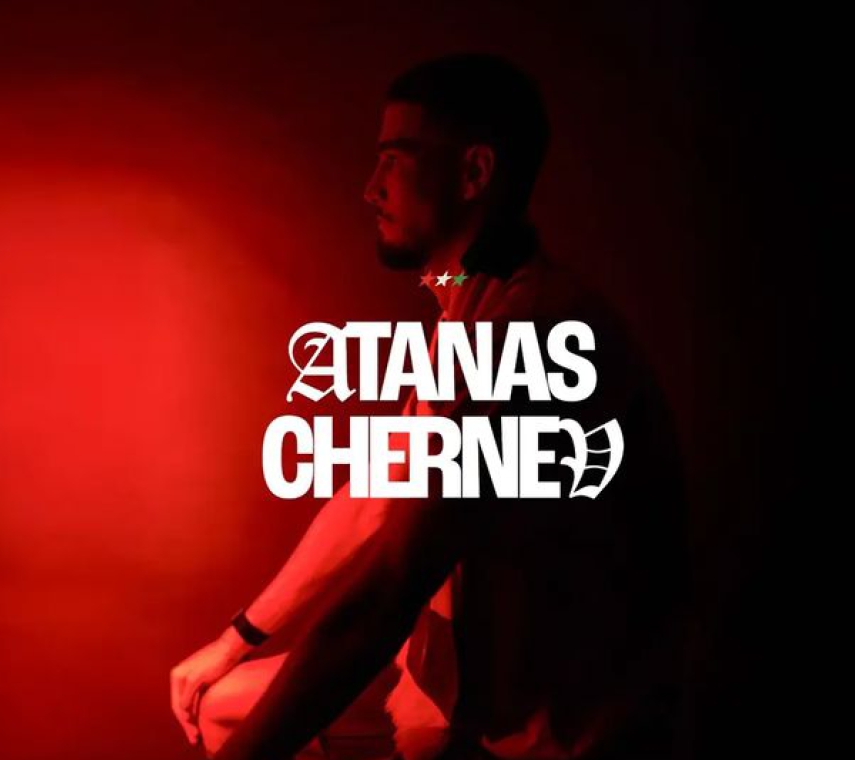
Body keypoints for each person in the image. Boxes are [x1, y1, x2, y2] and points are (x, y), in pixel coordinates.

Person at [169, 53, 690, 760]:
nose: (370, 188)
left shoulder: (529, 335)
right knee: (225, 706)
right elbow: (376, 496)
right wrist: (238, 638)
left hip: (540, 739)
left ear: (474, 173)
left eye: (395, 159)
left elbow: (387, 591)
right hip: (459, 694)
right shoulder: (469, 308)